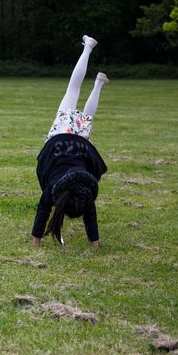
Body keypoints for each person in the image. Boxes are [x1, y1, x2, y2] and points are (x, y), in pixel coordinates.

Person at [31, 35, 109, 248]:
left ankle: (92, 61)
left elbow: (43, 211)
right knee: (73, 93)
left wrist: (95, 244)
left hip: (81, 145)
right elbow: (43, 210)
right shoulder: (62, 189)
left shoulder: (84, 188)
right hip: (59, 139)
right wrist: (35, 241)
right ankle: (92, 64)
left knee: (85, 113)